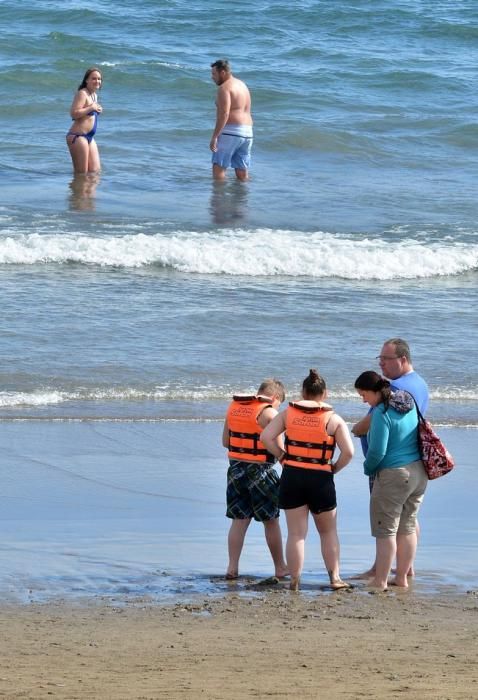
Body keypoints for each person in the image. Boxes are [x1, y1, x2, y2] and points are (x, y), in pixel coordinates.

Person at [261, 369, 354, 591]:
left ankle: (294, 580)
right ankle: (335, 578)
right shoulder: (333, 419)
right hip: (321, 478)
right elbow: (348, 452)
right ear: (325, 393)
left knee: (296, 534)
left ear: (302, 392)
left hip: (292, 475)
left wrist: (282, 456)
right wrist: (333, 470)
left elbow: (266, 437)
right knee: (328, 532)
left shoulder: (287, 414)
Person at [352, 338, 429, 578]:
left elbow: (370, 422)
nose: (381, 364)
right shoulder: (420, 384)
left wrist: (355, 430)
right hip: (411, 465)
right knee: (406, 519)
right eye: (380, 359)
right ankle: (406, 569)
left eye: (386, 359)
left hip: (390, 466)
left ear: (403, 359)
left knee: (387, 523)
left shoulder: (397, 390)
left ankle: (381, 572)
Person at [222, 378, 288, 580]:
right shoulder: (269, 412)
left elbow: (226, 442)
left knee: (239, 521)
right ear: (275, 397)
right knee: (271, 520)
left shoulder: (233, 407)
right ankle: (280, 567)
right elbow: (278, 449)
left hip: (235, 469)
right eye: (279, 403)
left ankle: (232, 567)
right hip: (262, 472)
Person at [210, 59, 253, 181]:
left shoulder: (224, 88)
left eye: (214, 74)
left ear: (222, 72)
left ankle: (218, 199)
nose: (212, 77)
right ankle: (242, 199)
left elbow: (224, 114)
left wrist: (215, 137)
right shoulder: (242, 85)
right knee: (242, 171)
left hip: (231, 131)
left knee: (219, 167)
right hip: (248, 132)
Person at [66, 67, 103, 174]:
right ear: (86, 80)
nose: (97, 81)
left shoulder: (94, 95)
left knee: (95, 172)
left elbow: (87, 114)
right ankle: (77, 191)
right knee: (81, 174)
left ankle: (90, 191)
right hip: (78, 137)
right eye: (94, 78)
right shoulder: (82, 93)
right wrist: (91, 108)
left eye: (99, 79)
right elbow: (74, 113)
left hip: (89, 137)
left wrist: (97, 109)